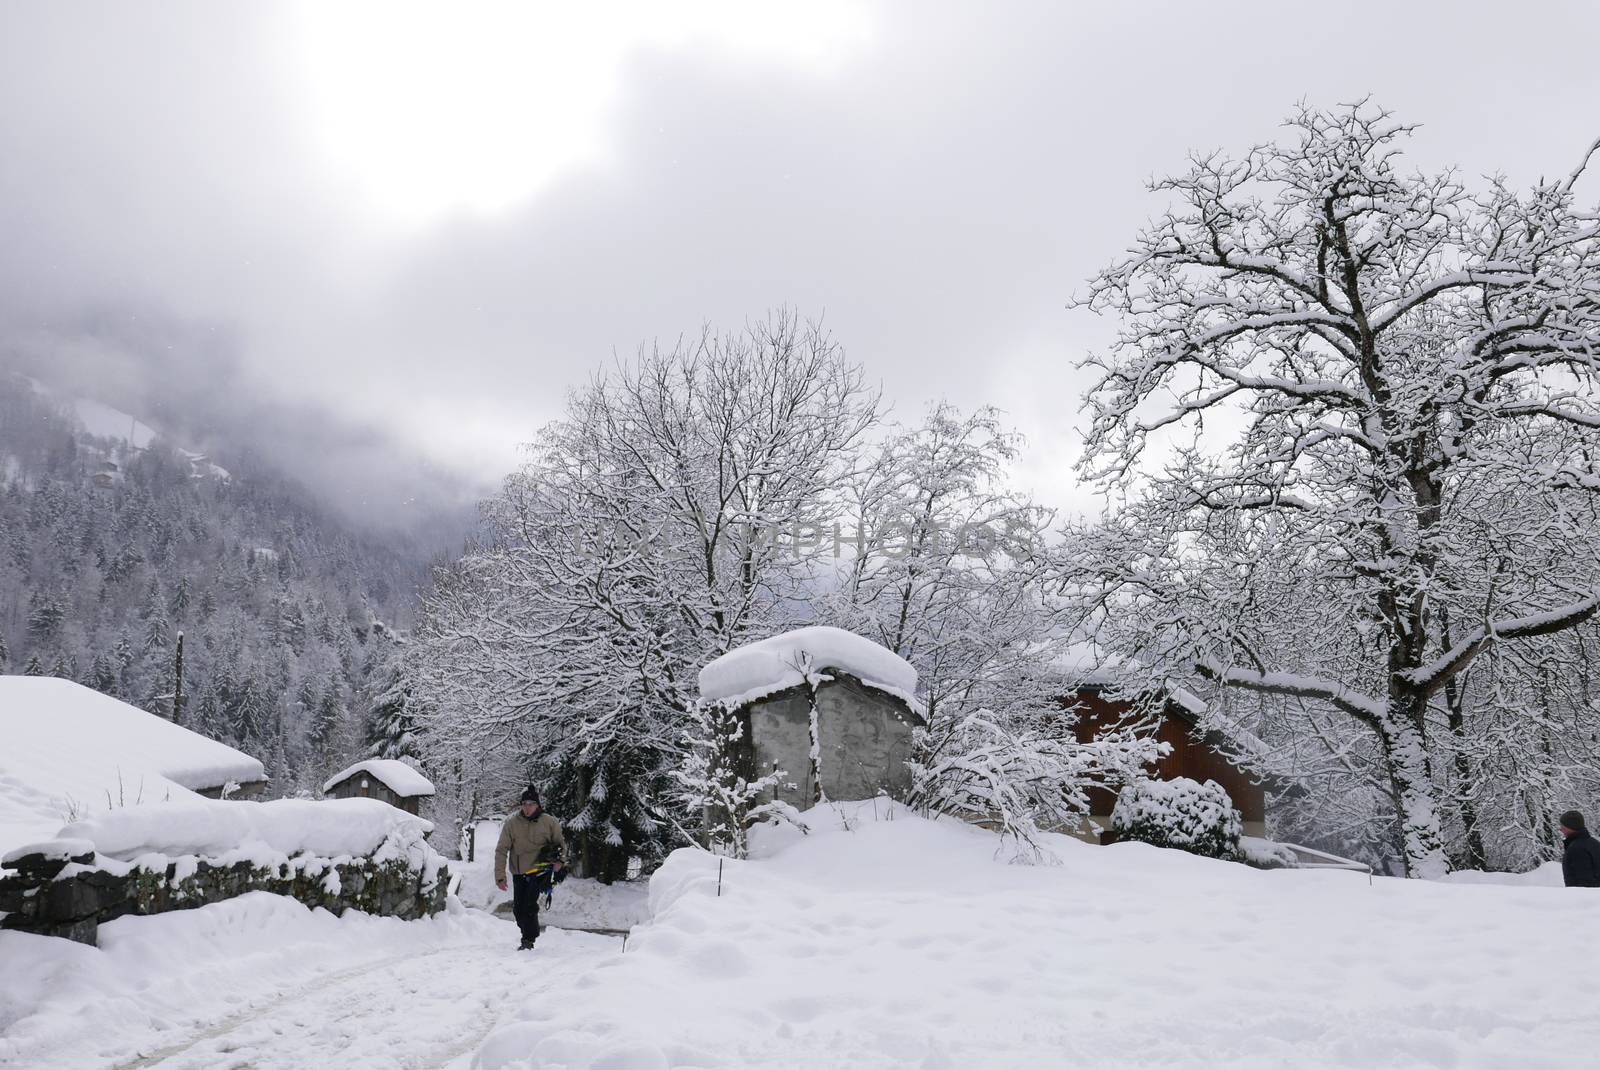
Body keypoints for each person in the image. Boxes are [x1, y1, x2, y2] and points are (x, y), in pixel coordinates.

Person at [495, 787, 567, 949]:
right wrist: (500, 876)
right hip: (519, 871)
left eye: (531, 804)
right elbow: (501, 850)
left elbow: (560, 844)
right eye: (524, 804)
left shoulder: (549, 822)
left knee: (529, 905)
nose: (527, 807)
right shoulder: (512, 824)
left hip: (540, 869)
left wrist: (559, 861)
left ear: (537, 805)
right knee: (518, 909)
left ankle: (528, 939)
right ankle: (529, 932)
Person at [1559, 810, 1600, 888]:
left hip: (1584, 897)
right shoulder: (1594, 843)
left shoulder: (1577, 849)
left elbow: (1583, 881)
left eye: (1563, 827)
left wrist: (1578, 897)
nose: (1560, 829)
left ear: (1571, 827)